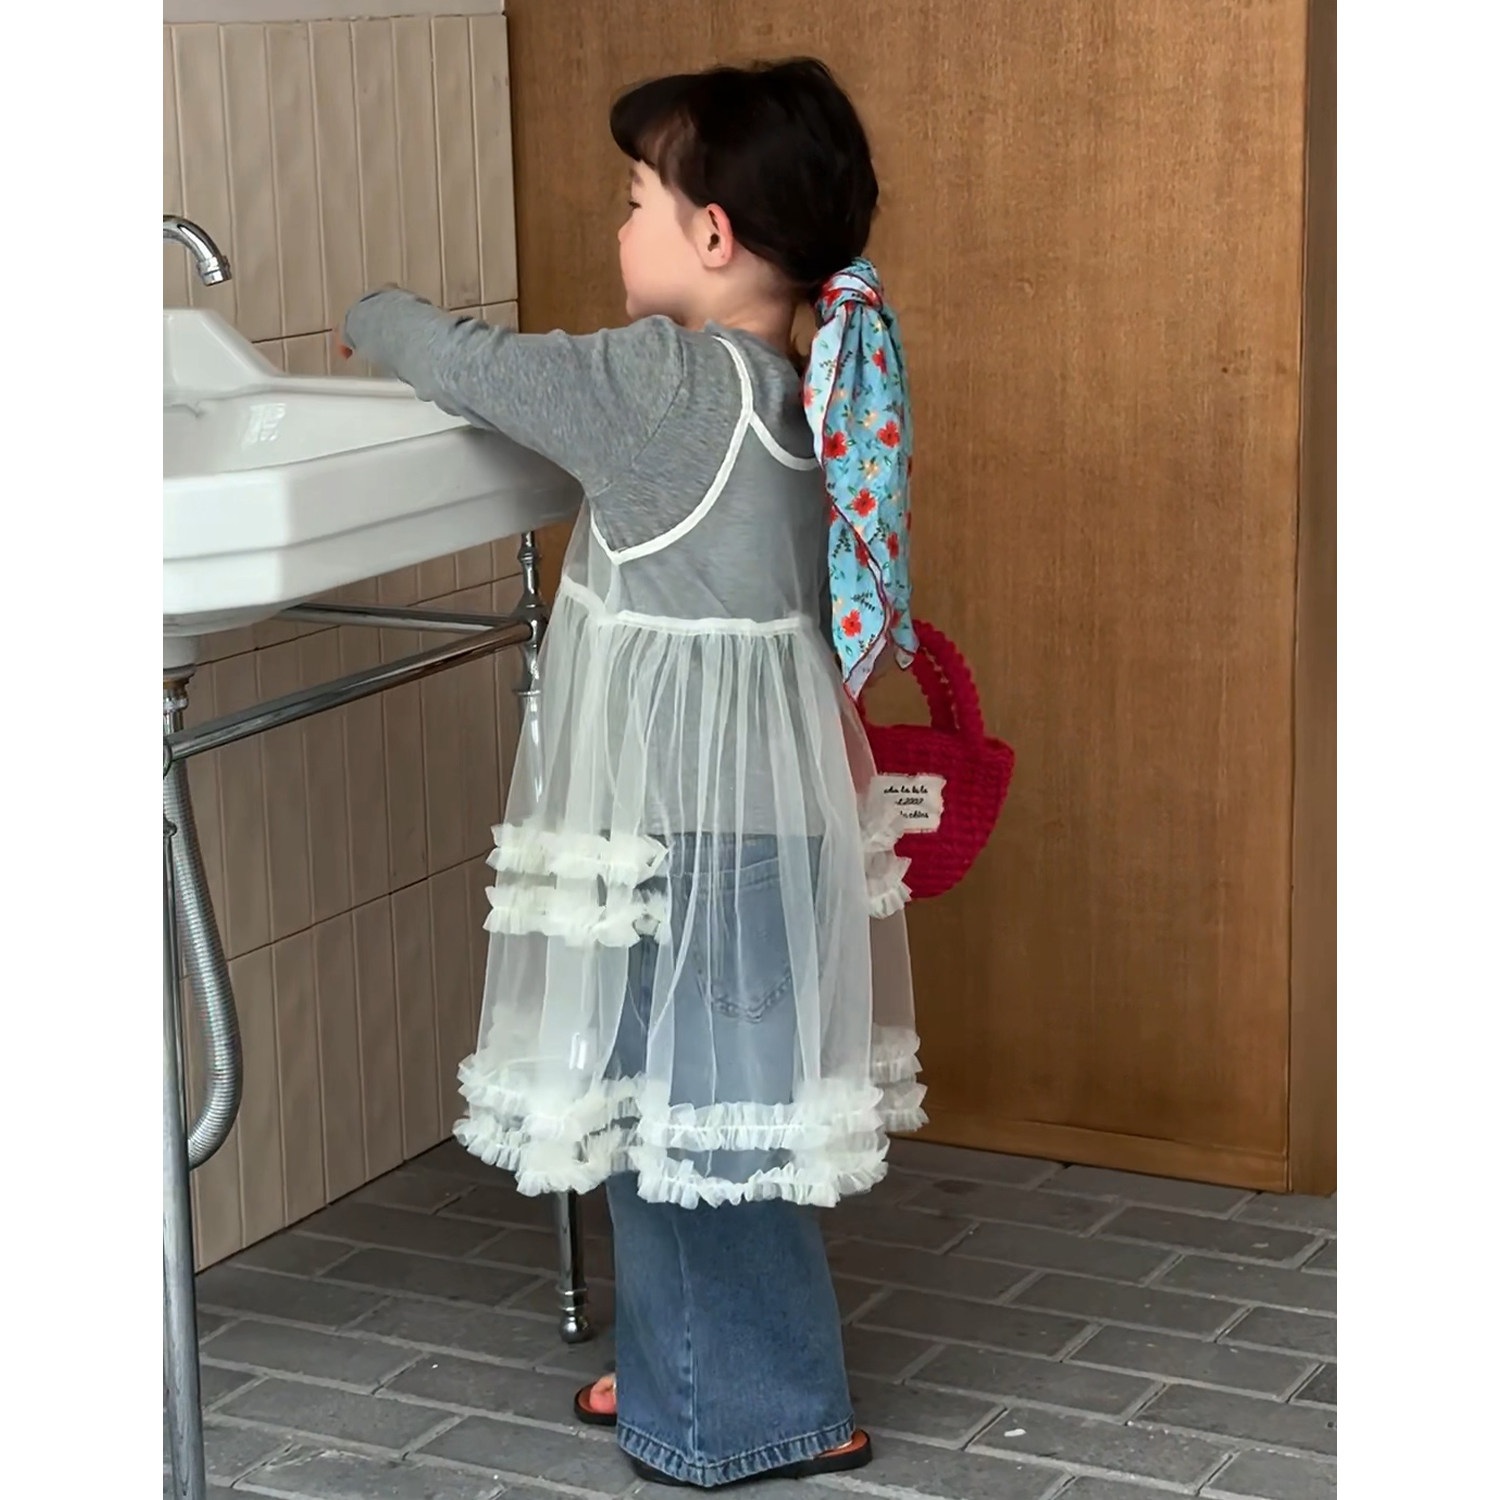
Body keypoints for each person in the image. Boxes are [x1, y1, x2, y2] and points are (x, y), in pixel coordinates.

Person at [338, 57, 925, 1490]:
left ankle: (750, 1412)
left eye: (632, 200)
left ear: (711, 234)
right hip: (762, 827)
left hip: (683, 835)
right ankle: (698, 1365)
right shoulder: (804, 378)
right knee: (702, 1118)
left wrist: (370, 312)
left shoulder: (666, 385)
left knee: (689, 1135)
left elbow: (477, 367)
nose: (617, 227)